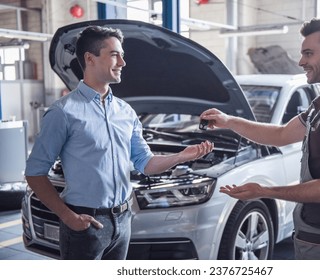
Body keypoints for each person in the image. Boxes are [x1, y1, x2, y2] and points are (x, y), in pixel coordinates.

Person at [25, 25, 213, 260]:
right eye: (115, 54)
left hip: (123, 221)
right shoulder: (64, 112)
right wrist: (67, 217)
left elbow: (145, 163)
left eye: (122, 55)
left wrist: (180, 157)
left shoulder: (125, 111)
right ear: (90, 59)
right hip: (85, 223)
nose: (122, 62)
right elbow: (34, 173)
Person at [200, 17, 320, 260]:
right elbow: (281, 135)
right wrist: (229, 121)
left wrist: (264, 191)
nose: (301, 61)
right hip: (317, 230)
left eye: (309, 53)